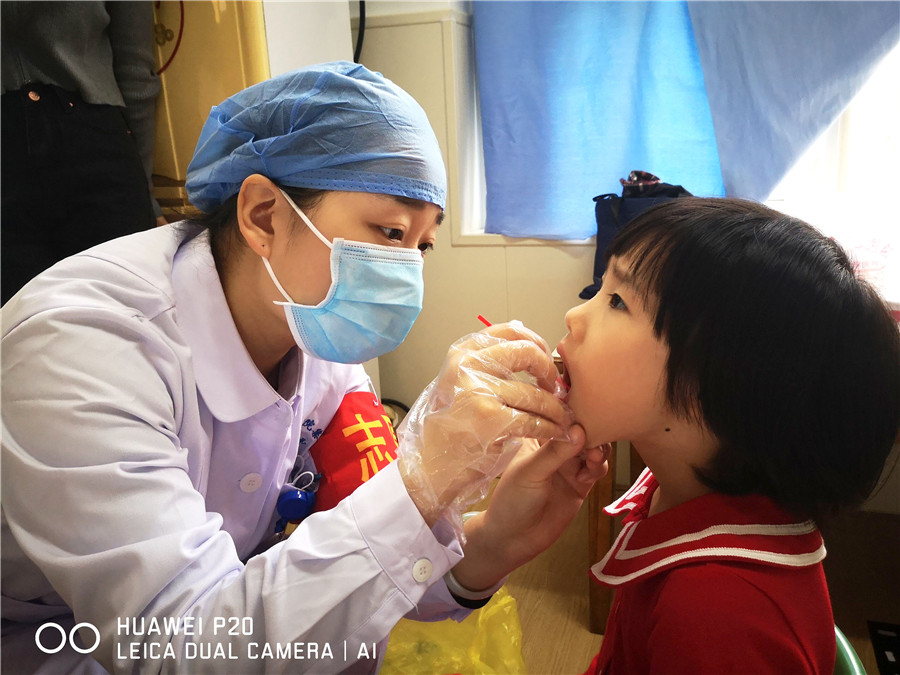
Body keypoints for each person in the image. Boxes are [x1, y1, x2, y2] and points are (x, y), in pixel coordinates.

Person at [1, 61, 608, 673]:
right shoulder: (84, 349)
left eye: (422, 246)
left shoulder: (316, 335)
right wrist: (424, 479)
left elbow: (371, 562)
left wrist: (493, 538)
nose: (407, 274)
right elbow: (180, 650)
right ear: (263, 215)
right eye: (390, 231)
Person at [553, 198, 900, 675]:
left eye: (617, 301)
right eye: (601, 290)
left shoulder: (717, 616)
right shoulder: (674, 485)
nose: (574, 316)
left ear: (722, 383)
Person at [1, 1, 162, 305]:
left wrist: (145, 192)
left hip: (97, 145)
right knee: (18, 325)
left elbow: (136, 69)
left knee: (132, 313)